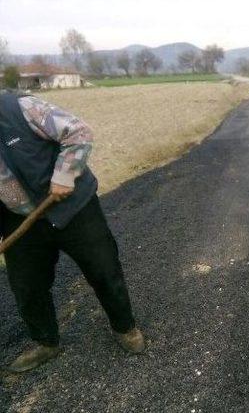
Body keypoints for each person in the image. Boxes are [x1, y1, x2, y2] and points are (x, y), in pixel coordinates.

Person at [0, 91, 145, 373]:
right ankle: (46, 342)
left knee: (103, 269)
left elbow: (78, 131)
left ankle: (125, 328)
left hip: (70, 204)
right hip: (18, 218)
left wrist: (65, 175)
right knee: (26, 286)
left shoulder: (21, 109)